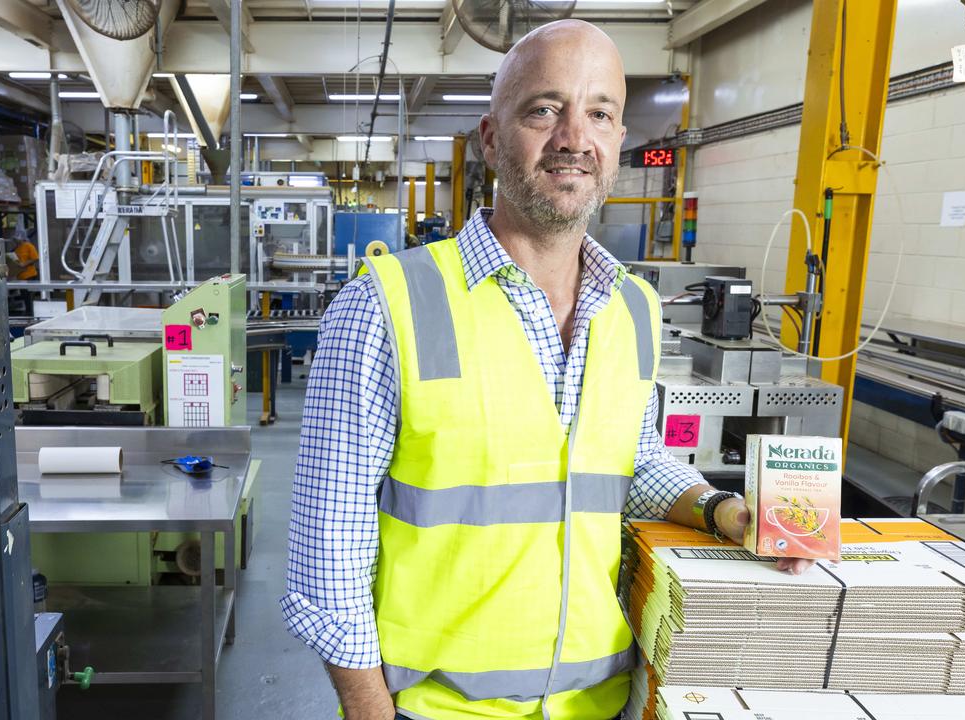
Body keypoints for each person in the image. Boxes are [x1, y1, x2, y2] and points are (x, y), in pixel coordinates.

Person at [280, 19, 814, 720]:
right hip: (437, 708)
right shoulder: (385, 305)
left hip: (602, 703)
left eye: (599, 112)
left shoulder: (635, 308)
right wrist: (370, 710)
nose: (573, 137)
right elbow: (329, 546)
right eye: (543, 109)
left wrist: (719, 508)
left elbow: (635, 458)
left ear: (619, 138)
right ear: (492, 137)